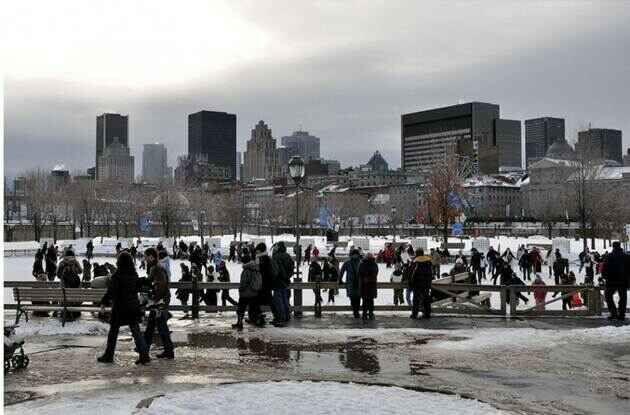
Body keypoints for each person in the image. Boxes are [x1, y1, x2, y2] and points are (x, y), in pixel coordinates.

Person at [97, 251, 150, 365]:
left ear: (119, 262)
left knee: (113, 332)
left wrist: (103, 302)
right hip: (133, 307)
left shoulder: (117, 276)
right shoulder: (134, 275)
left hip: (120, 308)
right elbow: (138, 288)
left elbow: (111, 292)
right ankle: (144, 355)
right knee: (136, 332)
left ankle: (109, 354)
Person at [143, 247, 174, 359]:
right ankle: (144, 348)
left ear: (151, 257)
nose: (144, 259)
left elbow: (160, 285)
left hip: (160, 302)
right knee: (152, 326)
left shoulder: (157, 268)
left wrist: (155, 299)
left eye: (146, 257)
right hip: (159, 301)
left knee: (160, 326)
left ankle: (168, 351)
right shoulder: (155, 267)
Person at [232, 252, 262, 330]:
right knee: (254, 308)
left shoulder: (247, 270)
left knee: (241, 309)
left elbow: (244, 282)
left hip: (246, 293)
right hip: (254, 292)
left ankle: (239, 323)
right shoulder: (256, 269)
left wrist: (241, 289)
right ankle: (257, 321)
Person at [602, 241, 628, 321]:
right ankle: (622, 314)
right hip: (623, 280)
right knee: (623, 297)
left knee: (608, 296)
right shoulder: (626, 256)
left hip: (611, 281)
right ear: (620, 246)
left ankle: (613, 313)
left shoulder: (609, 256)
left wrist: (604, 277)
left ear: (613, 247)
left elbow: (604, 268)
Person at [253, 243, 278, 325]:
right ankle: (259, 316)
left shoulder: (263, 259)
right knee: (260, 300)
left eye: (257, 249)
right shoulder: (263, 257)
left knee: (259, 300)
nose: (256, 251)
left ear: (260, 250)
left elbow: (262, 271)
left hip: (264, 284)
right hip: (265, 283)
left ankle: (275, 316)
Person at [271, 241, 294, 324]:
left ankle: (281, 318)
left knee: (278, 301)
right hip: (286, 282)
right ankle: (287, 316)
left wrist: (273, 279)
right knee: (285, 300)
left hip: (278, 282)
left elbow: (274, 271)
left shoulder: (276, 257)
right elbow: (291, 268)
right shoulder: (288, 256)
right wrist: (287, 277)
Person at [410, 248, 433, 319]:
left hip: (417, 285)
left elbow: (413, 275)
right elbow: (430, 275)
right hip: (426, 284)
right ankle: (427, 314)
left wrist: (412, 283)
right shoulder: (428, 262)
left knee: (416, 300)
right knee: (426, 300)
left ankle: (414, 314)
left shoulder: (416, 263)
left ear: (417, 254)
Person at [340, 249, 362, 318]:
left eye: (356, 254)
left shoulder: (361, 262)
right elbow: (342, 271)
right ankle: (355, 312)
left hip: (358, 283)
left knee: (358, 298)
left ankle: (356, 312)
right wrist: (340, 279)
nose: (355, 256)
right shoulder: (348, 262)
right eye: (354, 254)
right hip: (351, 283)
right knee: (352, 298)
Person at [358, 252, 378, 320]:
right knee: (369, 301)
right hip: (370, 285)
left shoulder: (362, 264)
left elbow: (360, 273)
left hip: (365, 285)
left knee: (365, 301)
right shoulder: (373, 264)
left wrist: (365, 277)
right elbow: (375, 273)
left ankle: (366, 314)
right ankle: (369, 314)